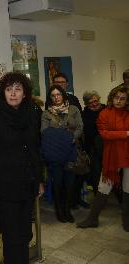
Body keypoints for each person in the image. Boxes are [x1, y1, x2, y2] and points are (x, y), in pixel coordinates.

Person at [0, 72, 44, 264]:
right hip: (3, 188)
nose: (13, 93)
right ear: (2, 93)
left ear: (25, 93)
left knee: (24, 234)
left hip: (26, 184)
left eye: (18, 89)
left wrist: (39, 179)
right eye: (8, 89)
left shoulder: (31, 114)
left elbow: (35, 149)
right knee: (12, 236)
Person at [77, 85, 129, 230]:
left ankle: (127, 221)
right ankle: (92, 219)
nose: (118, 101)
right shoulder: (105, 113)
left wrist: (118, 134)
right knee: (104, 187)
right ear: (112, 97)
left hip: (127, 154)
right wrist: (126, 134)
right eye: (116, 97)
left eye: (122, 98)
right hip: (112, 155)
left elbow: (110, 133)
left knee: (128, 188)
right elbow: (105, 134)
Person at [41, 85, 83, 222]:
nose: (56, 97)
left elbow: (79, 127)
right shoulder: (46, 113)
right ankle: (59, 210)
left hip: (70, 149)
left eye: (58, 94)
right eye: (53, 95)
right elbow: (44, 132)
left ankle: (67, 210)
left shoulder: (74, 109)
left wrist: (70, 138)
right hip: (55, 152)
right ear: (50, 98)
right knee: (58, 182)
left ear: (63, 95)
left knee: (69, 182)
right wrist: (64, 134)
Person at [81, 90, 105, 193]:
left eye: (96, 101)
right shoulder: (84, 114)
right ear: (87, 103)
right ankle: (97, 191)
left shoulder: (106, 109)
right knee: (96, 170)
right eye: (91, 102)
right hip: (92, 146)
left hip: (107, 144)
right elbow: (86, 132)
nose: (94, 104)